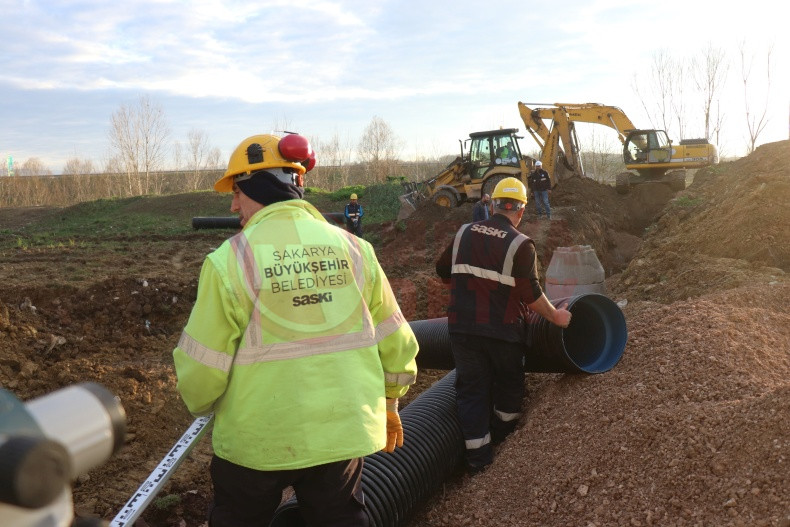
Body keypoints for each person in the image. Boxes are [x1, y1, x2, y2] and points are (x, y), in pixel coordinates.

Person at [172, 133, 419, 527]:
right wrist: (391, 399)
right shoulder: (356, 250)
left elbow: (202, 372)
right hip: (340, 435)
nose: (233, 204)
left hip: (256, 444)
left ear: (260, 185)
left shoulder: (229, 260)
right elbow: (396, 340)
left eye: (237, 191)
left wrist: (202, 404)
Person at [435, 177, 571, 475]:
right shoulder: (521, 244)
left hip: (462, 329)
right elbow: (531, 295)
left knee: (471, 390)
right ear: (521, 210)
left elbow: (443, 271)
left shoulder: (463, 233)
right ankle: (503, 441)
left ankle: (478, 461)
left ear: (493, 204)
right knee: (509, 387)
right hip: (503, 331)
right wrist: (556, 317)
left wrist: (465, 287)